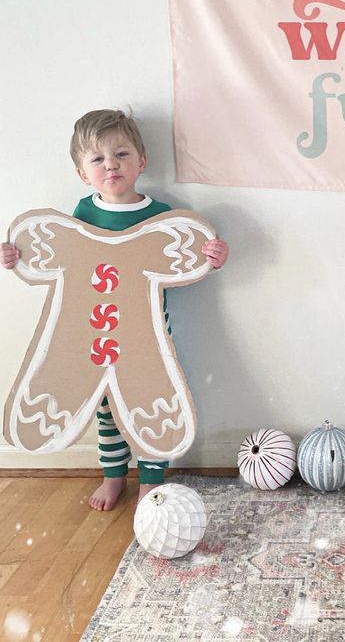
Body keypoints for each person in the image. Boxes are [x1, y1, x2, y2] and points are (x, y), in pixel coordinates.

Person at [1, 109, 229, 511]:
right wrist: (16, 255)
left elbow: (190, 255)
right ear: (82, 173)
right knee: (106, 408)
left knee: (147, 400)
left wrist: (213, 254)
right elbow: (60, 260)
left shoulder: (161, 217)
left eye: (121, 154)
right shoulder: (82, 216)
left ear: (141, 162)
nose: (111, 165)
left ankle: (151, 480)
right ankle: (113, 474)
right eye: (97, 159)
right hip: (95, 333)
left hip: (147, 335)